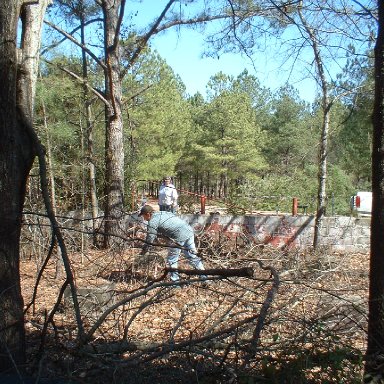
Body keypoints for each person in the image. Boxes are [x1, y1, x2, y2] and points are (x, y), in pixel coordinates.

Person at [139, 205, 206, 283]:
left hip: (178, 237)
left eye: (143, 216)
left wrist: (144, 250)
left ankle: (175, 282)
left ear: (148, 214)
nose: (144, 219)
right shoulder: (163, 213)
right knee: (192, 257)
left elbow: (150, 238)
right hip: (188, 231)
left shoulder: (153, 221)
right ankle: (204, 278)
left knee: (172, 260)